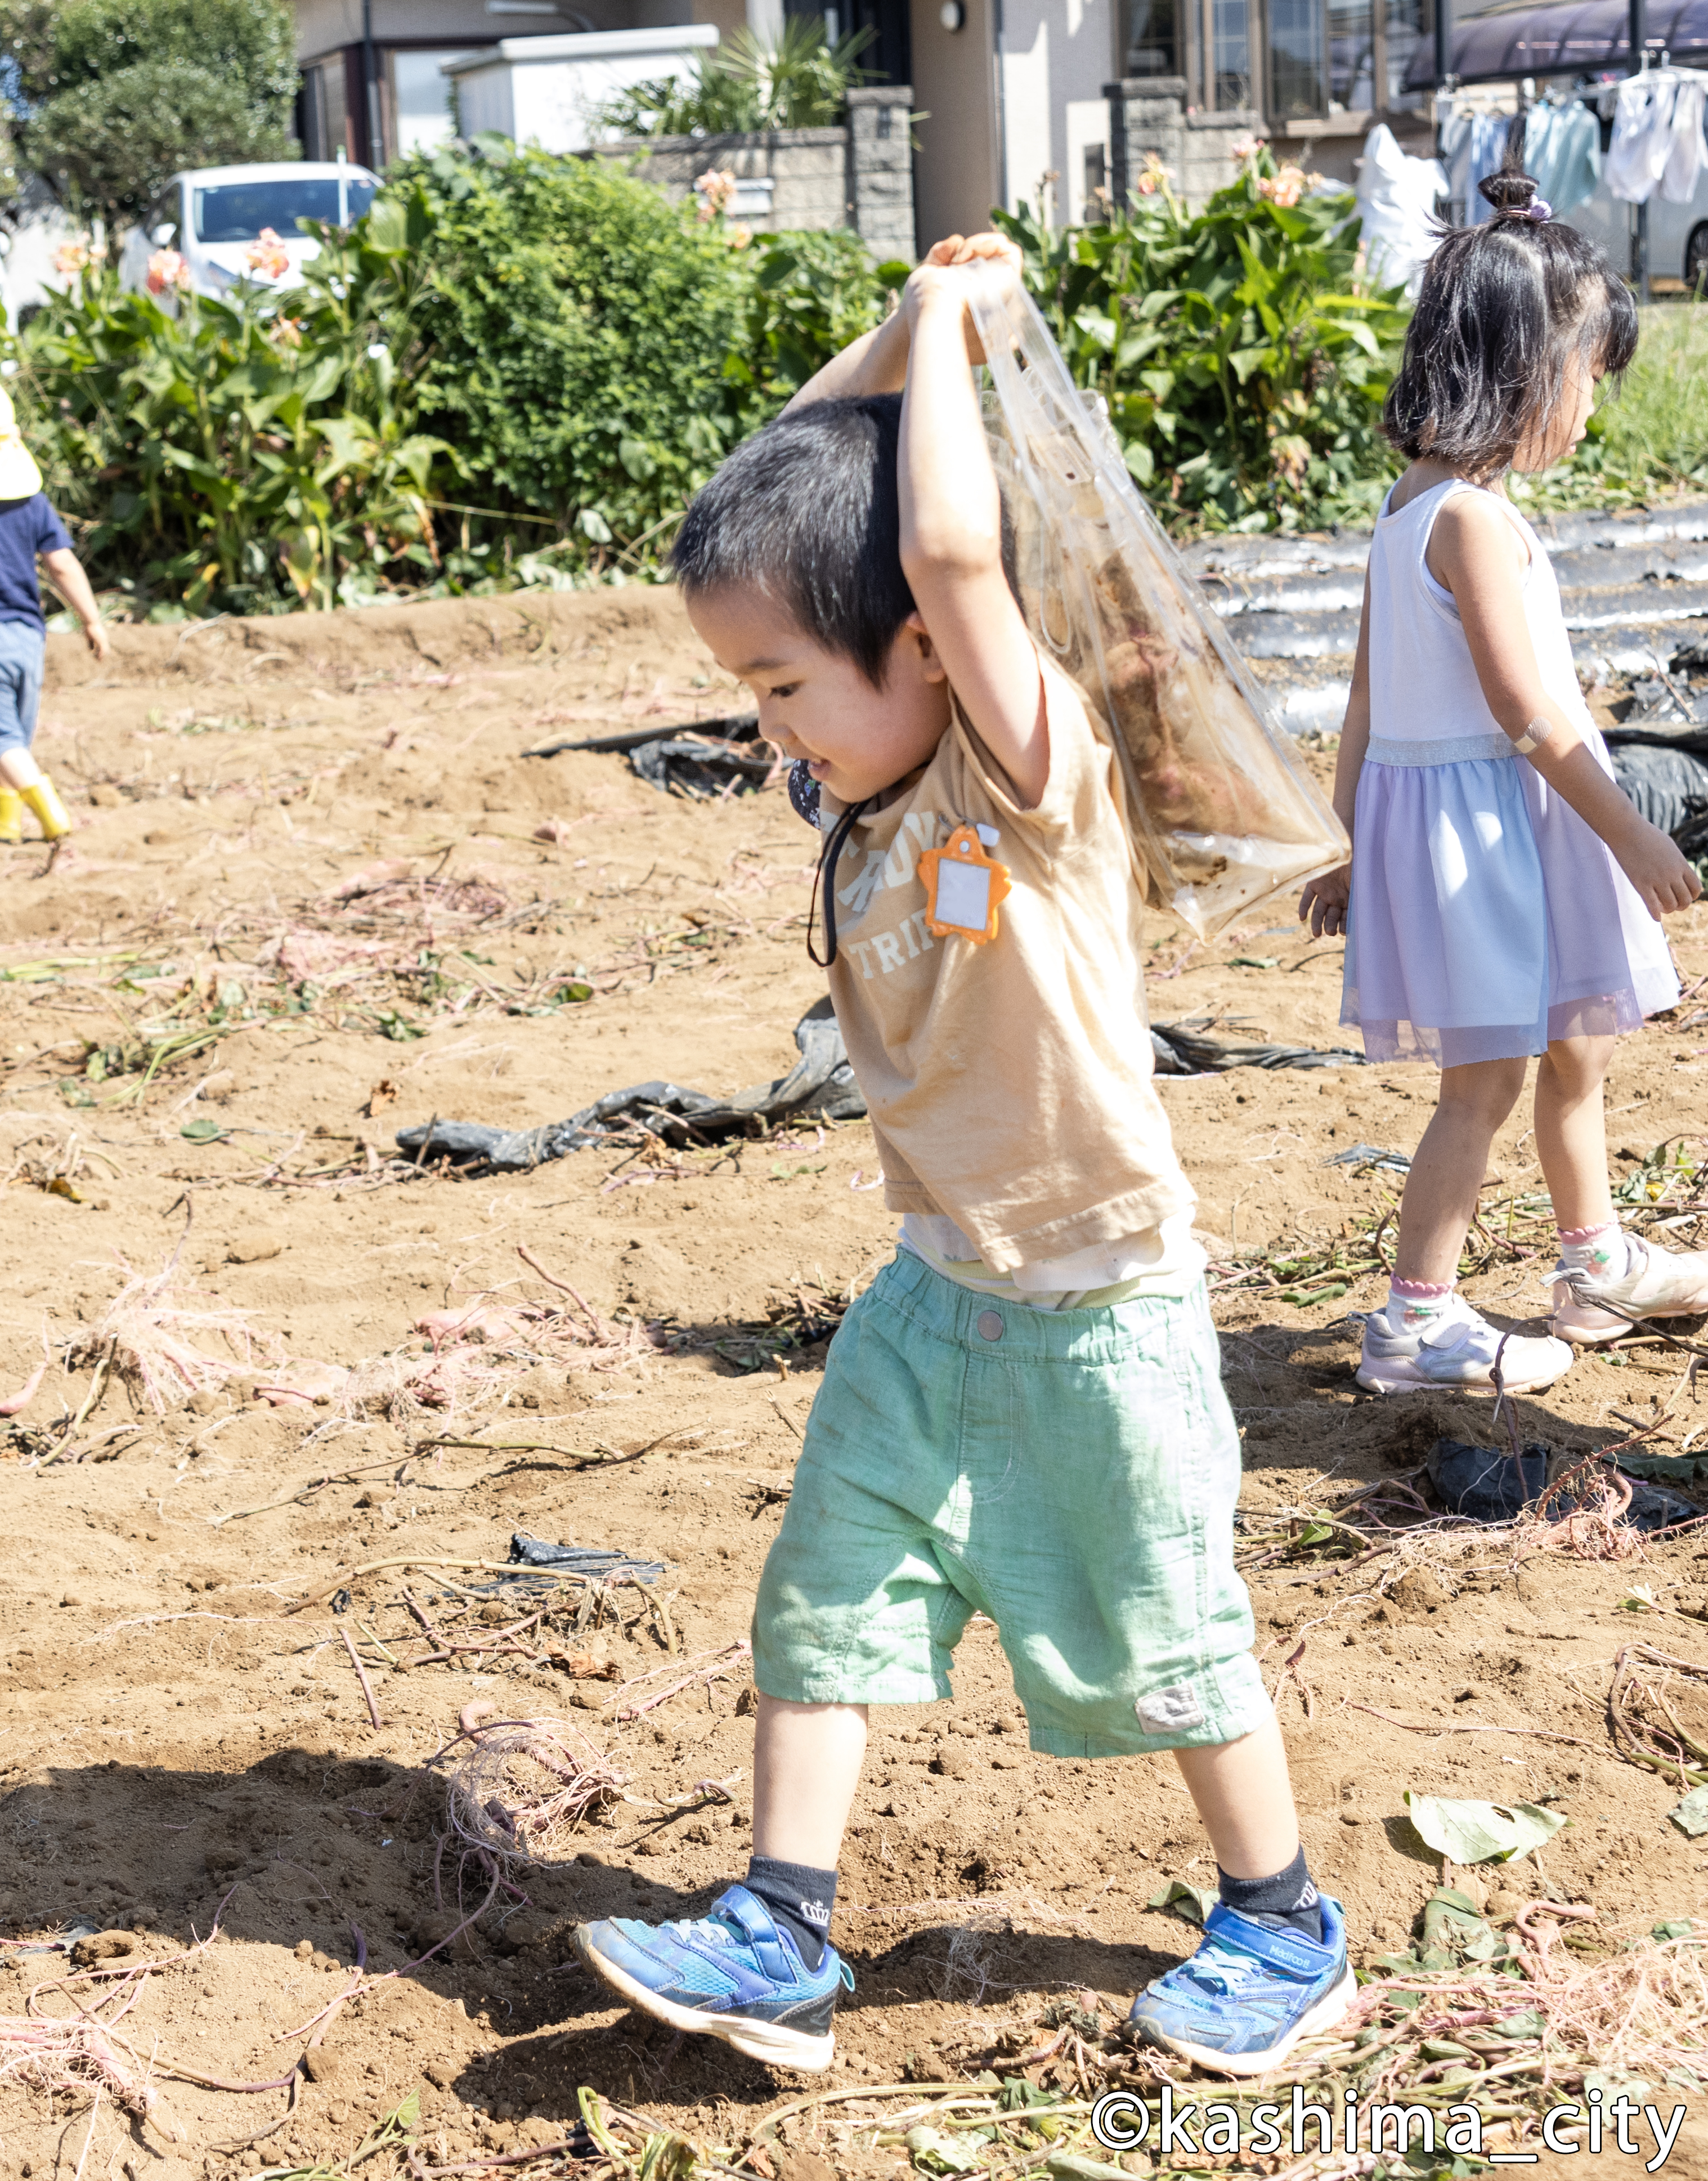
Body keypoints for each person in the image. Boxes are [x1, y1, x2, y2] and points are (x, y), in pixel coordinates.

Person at [573, 232, 1352, 2080]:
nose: (763, 727)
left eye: (782, 687)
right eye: (750, 695)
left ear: (931, 654)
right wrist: (919, 338)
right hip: (937, 1290)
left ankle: (1282, 1920)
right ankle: (780, 1916)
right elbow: (791, 478)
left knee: (1165, 1629)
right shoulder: (849, 770)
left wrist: (944, 329)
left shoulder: (1026, 761)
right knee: (825, 1584)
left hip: (1101, 1306)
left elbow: (929, 547)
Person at [1301, 153, 1708, 1395]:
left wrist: (1345, 836)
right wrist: (1632, 838)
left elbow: (1365, 698)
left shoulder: (1411, 502)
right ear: (1516, 366)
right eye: (1586, 370)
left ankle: (1588, 1260)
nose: (1590, 401)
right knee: (1479, 1081)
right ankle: (1411, 1318)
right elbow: (1528, 713)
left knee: (1576, 1044)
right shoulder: (1466, 520)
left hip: (1501, 822)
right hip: (1490, 825)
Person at [0, 372, 109, 846]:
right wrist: (91, 618)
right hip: (28, 633)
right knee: (14, 733)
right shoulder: (31, 500)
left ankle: (50, 811)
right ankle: (3, 821)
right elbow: (62, 565)